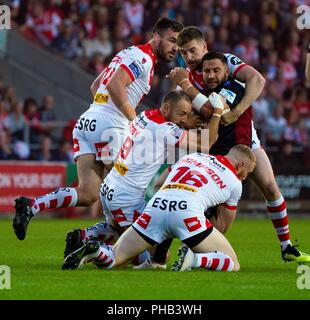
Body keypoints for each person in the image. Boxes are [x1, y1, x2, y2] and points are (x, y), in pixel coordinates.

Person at [13, 17, 184, 241]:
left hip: (89, 120)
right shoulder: (142, 57)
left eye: (177, 44)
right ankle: (102, 244)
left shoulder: (128, 53)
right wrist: (133, 122)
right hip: (111, 126)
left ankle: (32, 206)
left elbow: (96, 85)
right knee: (123, 194)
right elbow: (114, 85)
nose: (175, 48)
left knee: (88, 193)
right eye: (172, 40)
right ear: (156, 36)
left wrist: (103, 113)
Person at [167, 32, 310, 264]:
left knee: (271, 189)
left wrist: (237, 111)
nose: (189, 57)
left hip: (245, 141)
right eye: (183, 53)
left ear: (204, 46)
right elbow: (200, 113)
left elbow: (257, 81)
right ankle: (185, 249)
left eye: (193, 50)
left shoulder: (226, 63)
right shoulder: (189, 77)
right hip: (215, 147)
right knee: (213, 209)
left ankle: (286, 247)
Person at [62, 89, 225, 267]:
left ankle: (84, 235)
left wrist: (183, 122)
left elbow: (171, 127)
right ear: (166, 107)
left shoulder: (144, 116)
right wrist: (217, 111)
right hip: (127, 197)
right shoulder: (166, 129)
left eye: (187, 114)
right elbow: (207, 143)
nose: (185, 119)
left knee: (118, 230)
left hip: (111, 186)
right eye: (182, 114)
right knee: (157, 254)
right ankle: (96, 250)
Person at [62, 145, 256, 271]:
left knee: (115, 259)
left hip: (156, 206)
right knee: (233, 263)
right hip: (187, 213)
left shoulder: (193, 157)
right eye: (247, 173)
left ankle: (97, 251)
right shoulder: (235, 183)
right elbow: (222, 226)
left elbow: (158, 183)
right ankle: (193, 260)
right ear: (239, 166)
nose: (245, 178)